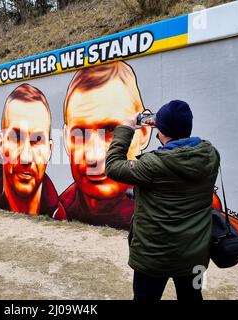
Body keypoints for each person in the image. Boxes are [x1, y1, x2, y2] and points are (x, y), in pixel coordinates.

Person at [105, 100, 219, 301]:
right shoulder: (210, 155)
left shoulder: (153, 164)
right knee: (193, 296)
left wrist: (126, 129)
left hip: (154, 256)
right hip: (196, 255)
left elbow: (113, 165)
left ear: (162, 131)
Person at [59, 61, 152, 229]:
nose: (93, 156)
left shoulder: (185, 204)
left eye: (111, 130)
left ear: (143, 133)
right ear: (66, 139)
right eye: (79, 134)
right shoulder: (60, 209)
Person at [0, 83, 66, 220]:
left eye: (37, 140)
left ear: (49, 150)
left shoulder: (59, 216)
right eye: (16, 138)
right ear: (1, 144)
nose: (25, 157)